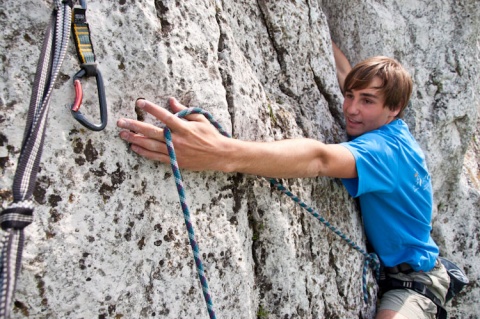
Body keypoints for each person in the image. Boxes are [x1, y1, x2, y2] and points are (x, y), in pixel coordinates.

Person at [116, 42, 450, 319]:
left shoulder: (385, 151)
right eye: (350, 95)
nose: (350, 108)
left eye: (367, 101)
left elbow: (319, 159)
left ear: (395, 108)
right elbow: (344, 73)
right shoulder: (388, 127)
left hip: (415, 280)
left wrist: (223, 153)